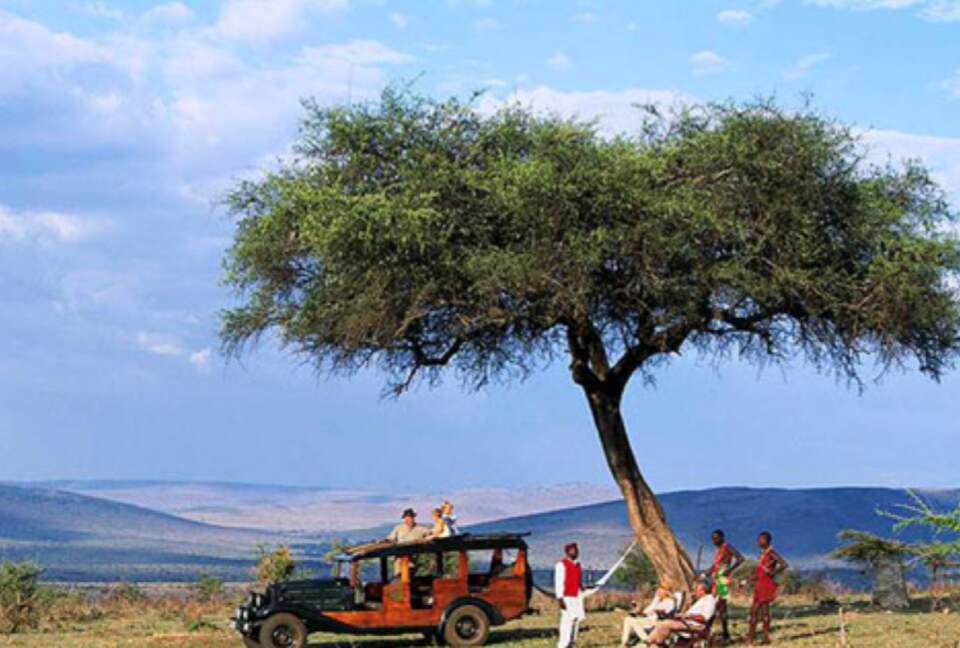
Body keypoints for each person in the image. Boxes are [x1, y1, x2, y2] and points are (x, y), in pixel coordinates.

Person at [701, 529, 744, 643]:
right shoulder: (719, 550)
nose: (714, 540)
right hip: (717, 578)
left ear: (722, 538)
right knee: (716, 606)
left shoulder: (727, 547)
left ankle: (724, 635)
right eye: (713, 538)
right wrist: (704, 574)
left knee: (720, 606)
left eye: (716, 538)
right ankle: (719, 633)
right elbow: (715, 566)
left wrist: (729, 570)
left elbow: (740, 558)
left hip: (723, 579)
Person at [746, 531, 788, 646]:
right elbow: (760, 572)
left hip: (766, 585)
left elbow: (784, 564)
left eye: (761, 539)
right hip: (760, 584)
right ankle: (765, 638)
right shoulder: (764, 554)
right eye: (758, 539)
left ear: (767, 541)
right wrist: (749, 579)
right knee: (765, 610)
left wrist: (773, 572)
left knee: (754, 611)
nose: (759, 542)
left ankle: (750, 639)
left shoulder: (771, 553)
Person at [645, 581, 717, 645]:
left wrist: (687, 617)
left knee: (665, 624)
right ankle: (653, 642)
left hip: (694, 625)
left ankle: (651, 642)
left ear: (703, 591)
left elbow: (704, 618)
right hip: (688, 623)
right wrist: (683, 615)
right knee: (665, 623)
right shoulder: (702, 600)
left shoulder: (709, 600)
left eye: (696, 590)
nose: (695, 592)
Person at [554, 542, 592, 648]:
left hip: (577, 595)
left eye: (576, 550)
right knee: (567, 620)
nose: (575, 552)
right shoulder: (561, 565)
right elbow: (559, 582)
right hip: (567, 596)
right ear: (567, 552)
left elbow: (577, 579)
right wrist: (560, 599)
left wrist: (582, 587)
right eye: (572, 550)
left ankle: (572, 642)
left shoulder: (578, 564)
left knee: (576, 620)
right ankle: (563, 644)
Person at [619, 580, 677, 647]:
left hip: (657, 622)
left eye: (661, 590)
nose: (658, 592)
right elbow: (646, 612)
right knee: (628, 619)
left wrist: (657, 610)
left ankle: (648, 641)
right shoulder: (658, 600)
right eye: (659, 590)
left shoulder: (670, 602)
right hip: (648, 620)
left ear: (666, 592)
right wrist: (637, 610)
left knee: (634, 622)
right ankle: (624, 643)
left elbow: (667, 613)